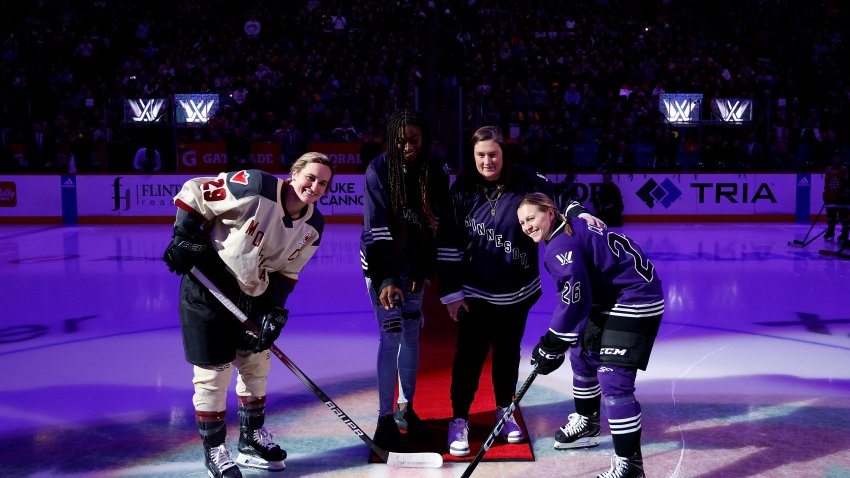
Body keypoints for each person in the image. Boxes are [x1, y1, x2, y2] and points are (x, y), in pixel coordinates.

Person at [163, 153, 335, 478]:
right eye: (310, 177)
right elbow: (196, 191)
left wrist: (273, 311)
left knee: (256, 367)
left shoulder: (313, 226)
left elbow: (288, 272)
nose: (314, 186)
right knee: (213, 377)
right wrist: (183, 236)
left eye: (323, 183)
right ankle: (214, 448)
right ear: (294, 173)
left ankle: (251, 438)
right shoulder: (256, 185)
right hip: (210, 288)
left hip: (253, 295)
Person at [437, 125, 604, 457]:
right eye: (481, 155)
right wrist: (451, 292)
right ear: (473, 156)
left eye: (493, 154)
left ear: (504, 153)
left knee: (507, 355)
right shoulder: (462, 189)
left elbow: (559, 200)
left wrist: (579, 212)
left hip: (516, 292)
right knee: (468, 358)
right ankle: (459, 419)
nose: (488, 161)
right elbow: (449, 241)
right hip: (474, 293)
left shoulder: (528, 179)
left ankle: (504, 411)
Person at [516, 192, 664, 478]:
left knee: (613, 379)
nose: (527, 226)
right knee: (582, 354)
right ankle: (587, 422)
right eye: (522, 222)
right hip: (608, 297)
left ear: (549, 213)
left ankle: (630, 467)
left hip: (636, 297)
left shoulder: (560, 246)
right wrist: (560, 342)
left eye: (531, 218)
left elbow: (574, 302)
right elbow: (573, 203)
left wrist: (551, 343)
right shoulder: (569, 220)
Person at [360, 109, 450, 451]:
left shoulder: (435, 171)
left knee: (412, 331)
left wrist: (422, 270)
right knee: (391, 333)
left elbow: (436, 225)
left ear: (424, 138)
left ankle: (406, 409)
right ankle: (384, 418)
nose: (407, 146)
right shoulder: (378, 170)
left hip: (415, 261)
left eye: (413, 139)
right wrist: (386, 279)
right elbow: (377, 227)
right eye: (400, 141)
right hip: (380, 258)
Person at [823, 151, 849, 242]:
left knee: (844, 216)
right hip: (831, 197)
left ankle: (845, 233)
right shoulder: (828, 169)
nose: (836, 159)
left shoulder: (844, 169)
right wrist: (825, 194)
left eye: (838, 157)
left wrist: (846, 194)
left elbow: (847, 183)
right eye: (835, 157)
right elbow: (826, 183)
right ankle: (830, 231)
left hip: (842, 198)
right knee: (830, 216)